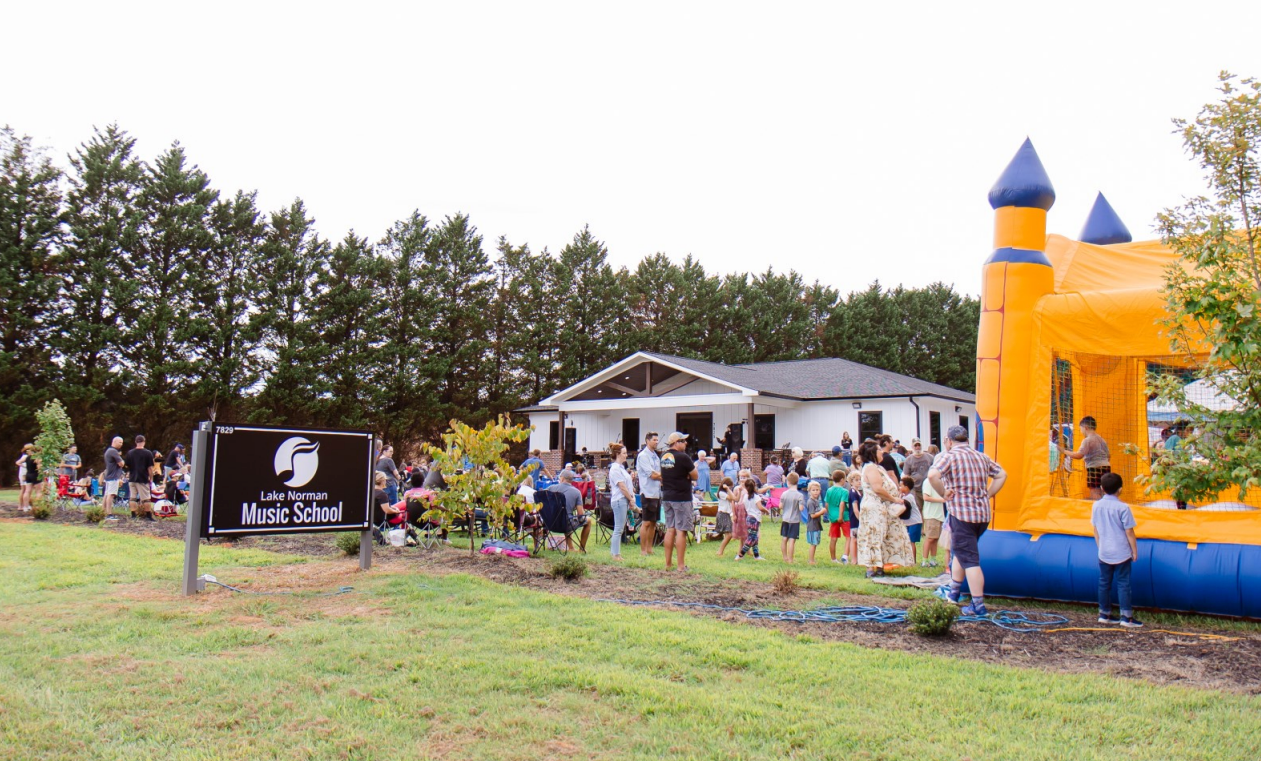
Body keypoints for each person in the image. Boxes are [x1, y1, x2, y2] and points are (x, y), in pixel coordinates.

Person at [928, 425, 1007, 617]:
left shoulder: (950, 456)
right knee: (960, 551)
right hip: (981, 515)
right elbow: (1002, 474)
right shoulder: (980, 456)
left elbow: (932, 475)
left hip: (962, 514)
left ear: (948, 440)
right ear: (967, 439)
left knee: (970, 560)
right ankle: (954, 592)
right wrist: (988, 494)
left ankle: (978, 605)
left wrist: (943, 493)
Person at [857, 439, 915, 578]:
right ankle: (871, 568)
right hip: (873, 507)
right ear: (872, 453)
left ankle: (879, 566)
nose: (882, 452)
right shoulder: (870, 467)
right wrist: (894, 499)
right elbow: (877, 488)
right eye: (879, 450)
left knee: (882, 536)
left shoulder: (877, 467)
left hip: (881, 507)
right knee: (873, 536)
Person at [1092, 472, 1143, 628]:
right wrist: (1134, 550)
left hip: (1104, 551)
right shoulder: (1123, 507)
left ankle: (1104, 614)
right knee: (1123, 584)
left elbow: (1095, 529)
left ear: (1101, 488)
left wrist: (1100, 546)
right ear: (1120, 489)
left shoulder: (1096, 505)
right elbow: (1129, 531)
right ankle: (1126, 618)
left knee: (1104, 582)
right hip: (1121, 552)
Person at [659, 432, 698, 572]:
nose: (686, 443)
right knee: (681, 531)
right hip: (681, 497)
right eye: (684, 441)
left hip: (667, 496)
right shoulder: (683, 457)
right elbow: (695, 475)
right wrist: (686, 474)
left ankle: (668, 564)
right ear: (677, 442)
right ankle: (681, 566)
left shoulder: (663, 457)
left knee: (670, 529)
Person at [1061, 416, 1111, 500]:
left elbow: (1079, 455)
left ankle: (1096, 509)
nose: (1081, 431)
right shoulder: (1102, 439)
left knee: (1095, 491)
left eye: (1081, 429)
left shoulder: (1087, 440)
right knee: (1104, 491)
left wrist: (1064, 451)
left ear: (1086, 428)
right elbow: (1108, 455)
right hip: (1106, 467)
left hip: (1094, 468)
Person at [546, 469, 592, 552]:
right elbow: (580, 514)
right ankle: (581, 549)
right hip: (566, 523)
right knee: (587, 520)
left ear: (562, 478)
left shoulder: (550, 488)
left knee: (566, 517)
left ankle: (571, 548)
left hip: (549, 523)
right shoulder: (576, 492)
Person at [635, 432, 662, 556]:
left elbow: (659, 473)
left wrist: (662, 476)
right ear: (647, 441)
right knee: (646, 522)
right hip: (647, 492)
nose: (656, 442)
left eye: (657, 440)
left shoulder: (656, 456)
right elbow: (652, 474)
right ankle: (643, 550)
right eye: (654, 440)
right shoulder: (643, 456)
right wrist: (667, 476)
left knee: (653, 522)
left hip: (656, 492)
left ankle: (650, 548)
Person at [607, 443, 634, 560]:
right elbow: (622, 487)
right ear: (618, 454)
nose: (626, 455)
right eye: (624, 453)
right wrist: (631, 498)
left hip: (622, 500)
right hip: (619, 500)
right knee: (618, 528)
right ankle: (615, 554)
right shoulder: (614, 469)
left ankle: (615, 553)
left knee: (620, 528)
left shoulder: (621, 468)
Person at [123, 435, 156, 521]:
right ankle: (148, 515)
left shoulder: (130, 453)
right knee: (146, 498)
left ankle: (133, 515)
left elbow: (127, 465)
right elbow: (150, 468)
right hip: (143, 478)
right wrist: (151, 478)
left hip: (132, 478)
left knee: (133, 497)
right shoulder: (148, 453)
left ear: (135, 442)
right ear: (144, 442)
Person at [920, 472, 947, 568]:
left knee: (935, 539)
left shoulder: (941, 483)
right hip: (931, 514)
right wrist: (942, 500)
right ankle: (924, 560)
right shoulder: (927, 482)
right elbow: (926, 497)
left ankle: (933, 560)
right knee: (930, 538)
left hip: (939, 514)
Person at [735, 478, 766, 561]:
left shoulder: (745, 496)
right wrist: (766, 510)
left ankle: (756, 555)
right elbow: (760, 507)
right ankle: (740, 555)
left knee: (754, 537)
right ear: (755, 486)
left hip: (748, 517)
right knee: (751, 537)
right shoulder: (756, 497)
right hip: (755, 518)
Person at [824, 470, 850, 564]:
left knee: (833, 538)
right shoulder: (844, 491)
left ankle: (833, 559)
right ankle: (845, 556)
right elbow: (842, 504)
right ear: (842, 480)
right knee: (848, 537)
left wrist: (830, 513)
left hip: (833, 516)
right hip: (844, 517)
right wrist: (840, 516)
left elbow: (826, 504)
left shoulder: (829, 490)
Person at [901, 439, 933, 511]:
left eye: (919, 445)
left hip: (929, 488)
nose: (917, 447)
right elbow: (906, 475)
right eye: (915, 445)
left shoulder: (930, 457)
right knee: (919, 508)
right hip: (916, 489)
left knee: (929, 509)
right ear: (912, 447)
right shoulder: (908, 460)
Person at [779, 472, 804, 563]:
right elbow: (801, 508)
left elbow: (780, 506)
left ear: (788, 482)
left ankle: (785, 557)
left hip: (785, 518)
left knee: (784, 538)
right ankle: (790, 559)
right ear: (797, 482)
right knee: (792, 540)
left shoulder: (784, 494)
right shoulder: (799, 495)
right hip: (795, 520)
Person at [897, 476, 924, 564]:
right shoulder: (904, 496)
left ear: (906, 487)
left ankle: (913, 561)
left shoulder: (909, 497)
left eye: (901, 485)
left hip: (914, 522)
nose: (899, 487)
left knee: (911, 542)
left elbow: (901, 504)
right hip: (908, 523)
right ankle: (907, 559)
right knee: (907, 541)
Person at [804, 480, 825, 565]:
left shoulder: (816, 501)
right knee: (813, 543)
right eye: (813, 490)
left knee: (815, 543)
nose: (815, 492)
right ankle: (811, 560)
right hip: (812, 526)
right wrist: (822, 512)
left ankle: (812, 559)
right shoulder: (810, 502)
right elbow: (812, 515)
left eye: (817, 490)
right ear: (809, 491)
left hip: (817, 525)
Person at [103, 437, 124, 519]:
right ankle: (109, 513)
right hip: (113, 476)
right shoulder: (113, 451)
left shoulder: (108, 451)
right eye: (120, 442)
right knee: (111, 495)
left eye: (122, 443)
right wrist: (122, 460)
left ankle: (103, 511)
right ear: (114, 442)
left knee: (107, 494)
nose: (121, 444)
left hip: (109, 476)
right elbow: (121, 464)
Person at [715, 477, 737, 556]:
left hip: (726, 514)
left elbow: (733, 498)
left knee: (729, 535)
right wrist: (728, 489)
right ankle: (720, 551)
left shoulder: (725, 493)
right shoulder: (722, 493)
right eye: (730, 486)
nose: (730, 488)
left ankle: (720, 551)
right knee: (729, 535)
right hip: (722, 514)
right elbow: (732, 498)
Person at [845, 470, 863, 564]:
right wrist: (860, 519)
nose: (859, 481)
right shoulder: (853, 492)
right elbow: (855, 509)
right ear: (851, 482)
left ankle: (858, 558)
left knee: (857, 539)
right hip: (854, 518)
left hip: (858, 517)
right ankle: (854, 559)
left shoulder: (858, 492)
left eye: (860, 479)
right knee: (854, 539)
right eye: (856, 480)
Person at [16, 444, 38, 511]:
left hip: (27, 473)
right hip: (27, 473)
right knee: (25, 490)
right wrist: (24, 467)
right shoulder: (28, 456)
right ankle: (23, 505)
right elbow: (18, 463)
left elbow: (18, 462)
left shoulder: (26, 456)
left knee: (26, 490)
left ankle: (24, 505)